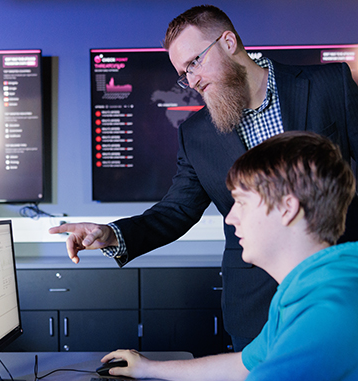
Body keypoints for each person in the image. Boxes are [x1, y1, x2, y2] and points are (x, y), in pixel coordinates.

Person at [49, 5, 358, 351]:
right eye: (183, 73)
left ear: (228, 42)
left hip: (342, 285)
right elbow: (176, 210)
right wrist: (110, 234)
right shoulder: (196, 134)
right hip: (257, 306)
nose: (191, 81)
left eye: (195, 62)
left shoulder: (333, 85)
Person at [102, 132, 358, 381]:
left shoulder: (329, 312)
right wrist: (149, 368)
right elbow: (247, 363)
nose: (230, 216)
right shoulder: (327, 279)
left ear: (287, 208)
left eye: (240, 202)